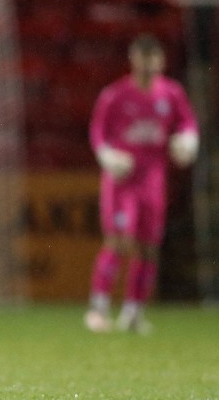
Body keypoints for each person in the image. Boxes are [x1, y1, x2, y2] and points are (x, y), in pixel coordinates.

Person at [85, 33, 198, 335]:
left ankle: (134, 312)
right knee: (119, 241)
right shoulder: (115, 95)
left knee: (148, 248)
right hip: (122, 181)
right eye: (143, 59)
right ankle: (98, 308)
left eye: (153, 60)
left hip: (154, 180)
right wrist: (107, 155)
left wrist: (188, 140)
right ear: (134, 60)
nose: (148, 66)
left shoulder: (172, 94)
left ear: (160, 61)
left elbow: (187, 123)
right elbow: (98, 132)